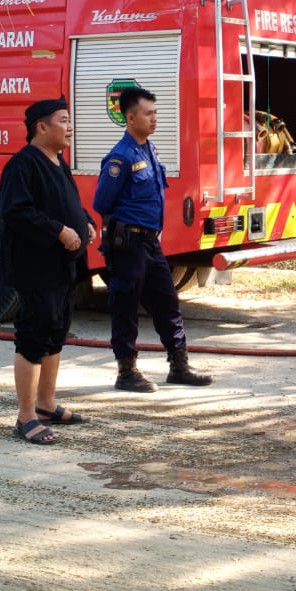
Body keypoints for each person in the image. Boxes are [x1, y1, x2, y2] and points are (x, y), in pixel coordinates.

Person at [93, 85, 212, 392]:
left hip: (150, 242)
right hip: (128, 244)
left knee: (167, 302)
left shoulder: (150, 149)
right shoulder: (119, 158)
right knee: (126, 304)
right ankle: (126, 371)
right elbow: (102, 202)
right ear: (130, 118)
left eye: (156, 112)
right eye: (148, 113)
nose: (154, 118)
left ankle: (179, 366)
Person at [0, 98, 96, 445]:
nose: (70, 127)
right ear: (42, 127)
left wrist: (84, 220)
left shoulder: (58, 162)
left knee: (56, 332)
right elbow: (16, 212)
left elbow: (67, 202)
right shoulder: (22, 165)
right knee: (34, 337)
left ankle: (46, 404)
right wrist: (58, 230)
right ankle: (25, 417)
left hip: (63, 267)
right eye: (64, 121)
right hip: (35, 267)